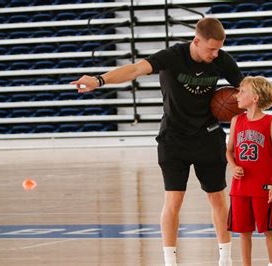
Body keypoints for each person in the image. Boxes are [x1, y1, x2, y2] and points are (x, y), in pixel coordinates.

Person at [71, 17, 243, 266]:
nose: (215, 54)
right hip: (173, 139)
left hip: (208, 137)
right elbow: (133, 70)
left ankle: (225, 259)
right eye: (211, 49)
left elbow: (246, 87)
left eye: (218, 48)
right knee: (173, 199)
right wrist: (99, 80)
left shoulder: (222, 60)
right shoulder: (172, 57)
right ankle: (169, 261)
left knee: (217, 197)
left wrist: (258, 96)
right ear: (196, 40)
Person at [225, 76, 272, 266]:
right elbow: (229, 151)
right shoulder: (236, 120)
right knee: (244, 232)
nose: (237, 95)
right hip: (240, 187)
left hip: (263, 186)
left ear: (255, 97)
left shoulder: (270, 122)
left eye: (242, 91)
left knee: (269, 230)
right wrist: (234, 166)